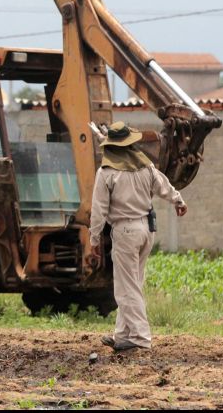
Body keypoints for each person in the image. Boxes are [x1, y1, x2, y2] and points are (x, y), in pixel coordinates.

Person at [89, 121, 187, 352]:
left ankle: (141, 338)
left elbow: (98, 210)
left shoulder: (106, 173)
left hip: (125, 232)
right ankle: (123, 335)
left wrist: (94, 239)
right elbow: (165, 187)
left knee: (126, 288)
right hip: (146, 231)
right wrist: (179, 201)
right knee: (133, 284)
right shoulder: (147, 168)